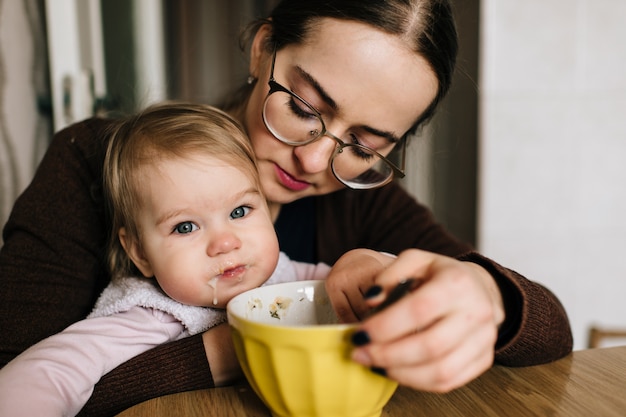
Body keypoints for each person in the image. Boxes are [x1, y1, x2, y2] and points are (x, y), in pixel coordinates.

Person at [0, 1, 572, 415]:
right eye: (303, 107)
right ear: (263, 47)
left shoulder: (362, 203)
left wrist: (486, 295)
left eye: (365, 145)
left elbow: (552, 331)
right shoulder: (97, 163)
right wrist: (243, 347)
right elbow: (24, 376)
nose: (318, 161)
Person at [0, 102, 332, 416]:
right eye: (185, 227)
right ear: (140, 253)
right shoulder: (150, 314)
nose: (226, 242)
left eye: (239, 211)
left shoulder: (286, 277)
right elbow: (49, 372)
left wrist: (366, 269)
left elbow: (344, 288)